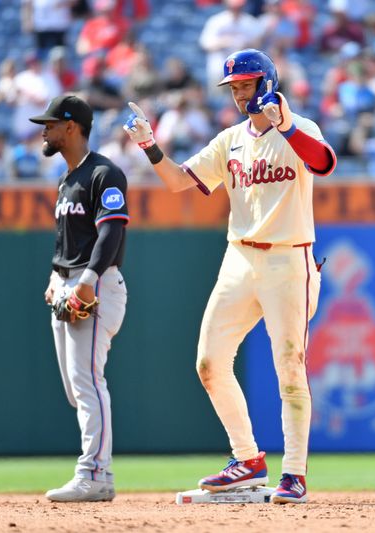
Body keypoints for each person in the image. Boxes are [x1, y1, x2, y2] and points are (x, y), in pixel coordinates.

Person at [123, 49, 336, 504]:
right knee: (209, 362)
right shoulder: (231, 139)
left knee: (290, 368)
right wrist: (148, 144)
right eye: (235, 87)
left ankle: (293, 474)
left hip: (287, 258)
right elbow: (181, 181)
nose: (240, 94)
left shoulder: (300, 129)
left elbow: (323, 163)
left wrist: (286, 125)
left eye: (246, 84)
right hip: (239, 258)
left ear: (267, 82)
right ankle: (248, 459)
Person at [32, 95, 130, 502]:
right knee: (77, 390)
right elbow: (67, 241)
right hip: (69, 282)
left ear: (71, 127)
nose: (44, 130)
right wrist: (57, 278)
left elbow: (111, 233)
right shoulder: (66, 179)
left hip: (99, 283)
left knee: (88, 382)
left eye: (51, 124)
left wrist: (87, 279)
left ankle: (95, 473)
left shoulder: (104, 174)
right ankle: (97, 472)